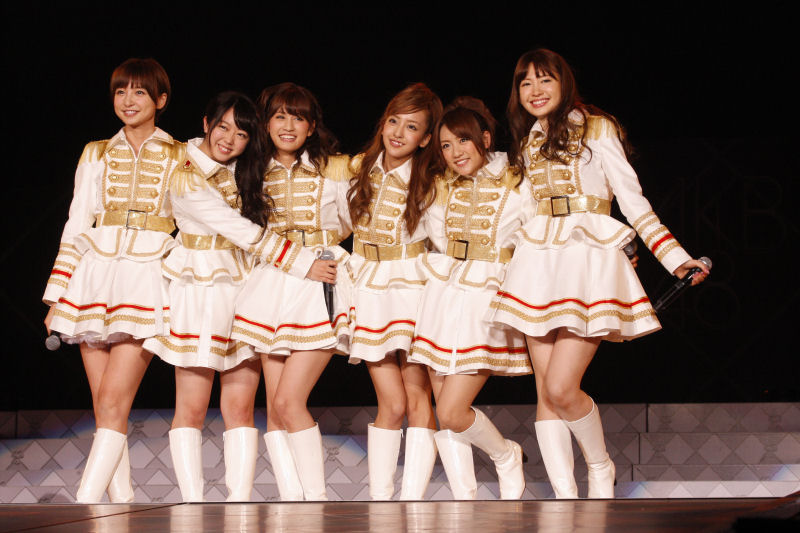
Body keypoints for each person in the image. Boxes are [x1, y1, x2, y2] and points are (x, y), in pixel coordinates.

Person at [490, 48, 709, 499]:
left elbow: (632, 200)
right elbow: (521, 212)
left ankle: (600, 464)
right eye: (525, 83)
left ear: (564, 82)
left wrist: (675, 258)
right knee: (544, 393)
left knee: (561, 387)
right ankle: (565, 498)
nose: (534, 90)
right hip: (537, 264)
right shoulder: (528, 140)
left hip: (587, 260)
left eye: (544, 79)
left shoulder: (597, 127)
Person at [42, 58, 183, 503]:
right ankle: (122, 504)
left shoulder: (182, 155)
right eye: (121, 91)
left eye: (139, 91)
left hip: (147, 276)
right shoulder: (96, 151)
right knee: (104, 403)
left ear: (160, 99)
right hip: (94, 277)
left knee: (113, 400)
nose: (128, 100)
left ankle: (85, 501)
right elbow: (76, 221)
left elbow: (196, 220)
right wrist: (57, 293)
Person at [143, 91, 277, 502]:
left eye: (241, 134)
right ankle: (192, 504)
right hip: (197, 286)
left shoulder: (248, 171)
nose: (229, 139)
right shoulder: (182, 165)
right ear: (206, 123)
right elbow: (234, 227)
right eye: (223, 127)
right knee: (192, 407)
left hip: (243, 286)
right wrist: (299, 259)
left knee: (240, 408)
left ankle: (240, 504)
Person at [408, 97, 530, 500]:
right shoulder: (439, 186)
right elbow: (417, 235)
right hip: (441, 295)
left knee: (452, 409)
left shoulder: (517, 179)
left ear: (486, 139)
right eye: (445, 145)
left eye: (463, 140)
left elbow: (540, 233)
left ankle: (505, 454)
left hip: (487, 295)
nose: (455, 152)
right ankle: (466, 497)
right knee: (444, 410)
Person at [230, 83, 346, 501]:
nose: (288, 125)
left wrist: (324, 250)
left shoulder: (335, 168)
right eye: (279, 116)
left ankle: (315, 499)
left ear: (312, 126)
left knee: (289, 401)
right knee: (276, 405)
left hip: (319, 280)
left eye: (298, 117)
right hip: (271, 284)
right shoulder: (250, 170)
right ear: (265, 123)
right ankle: (293, 500)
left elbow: (353, 220)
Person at [346, 83, 443, 500]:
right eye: (393, 121)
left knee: (418, 396)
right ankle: (381, 498)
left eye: (412, 127)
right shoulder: (356, 168)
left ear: (425, 138)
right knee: (391, 402)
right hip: (368, 286)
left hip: (412, 286)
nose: (399, 133)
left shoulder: (432, 179)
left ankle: (413, 500)